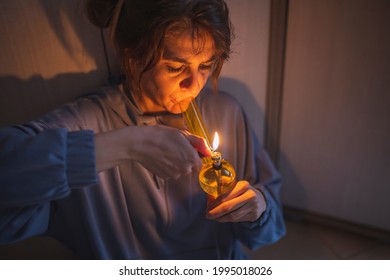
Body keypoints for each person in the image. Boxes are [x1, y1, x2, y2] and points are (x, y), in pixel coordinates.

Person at [0, 0, 285, 259]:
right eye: (175, 67)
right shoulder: (85, 123)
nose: (194, 85)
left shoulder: (227, 111)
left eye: (206, 65)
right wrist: (126, 145)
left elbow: (272, 227)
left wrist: (258, 208)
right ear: (132, 55)